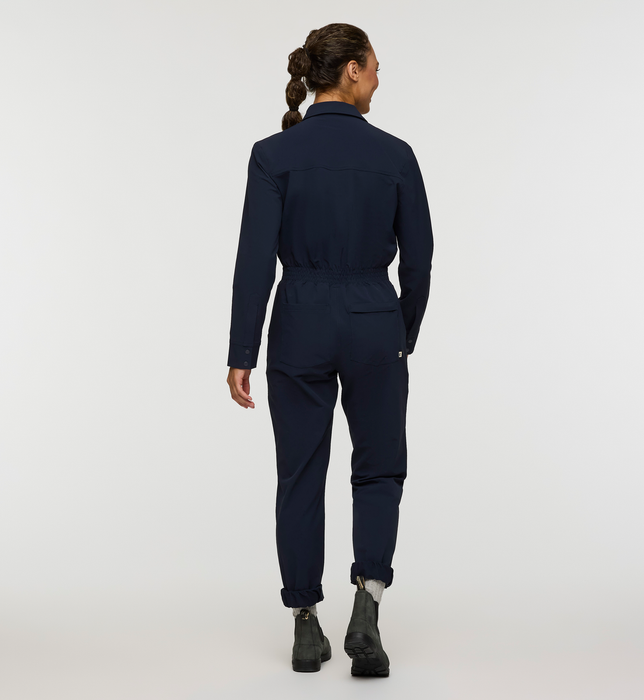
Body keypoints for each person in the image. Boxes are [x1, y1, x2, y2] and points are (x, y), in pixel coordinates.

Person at [226, 22, 434, 677]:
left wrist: (241, 351)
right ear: (350, 70)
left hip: (300, 321)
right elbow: (420, 260)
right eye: (374, 68)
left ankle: (304, 625)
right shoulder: (395, 155)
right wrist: (401, 332)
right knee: (378, 470)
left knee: (300, 472)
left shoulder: (272, 154)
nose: (377, 81)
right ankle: (367, 608)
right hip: (374, 319)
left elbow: (254, 262)